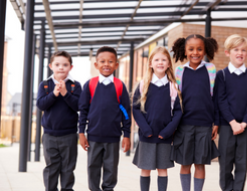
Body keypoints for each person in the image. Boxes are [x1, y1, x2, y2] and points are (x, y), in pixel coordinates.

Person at [170, 34, 220, 191]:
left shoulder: (211, 69)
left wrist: (216, 123)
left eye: (199, 49)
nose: (195, 52)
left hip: (205, 125)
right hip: (184, 125)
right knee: (185, 163)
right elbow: (175, 100)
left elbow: (216, 98)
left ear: (205, 50)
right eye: (191, 49)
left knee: (200, 163)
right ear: (185, 51)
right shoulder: (179, 71)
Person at [78, 46, 131, 191]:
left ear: (116, 65)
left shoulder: (119, 85)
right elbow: (83, 111)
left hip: (113, 137)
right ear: (96, 65)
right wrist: (81, 133)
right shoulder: (90, 85)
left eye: (110, 61)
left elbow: (126, 112)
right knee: (93, 169)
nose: (106, 64)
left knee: (111, 170)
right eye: (102, 61)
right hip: (93, 137)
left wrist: (127, 135)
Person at [132, 46, 183, 191]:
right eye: (156, 60)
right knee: (145, 169)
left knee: (162, 169)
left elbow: (178, 112)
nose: (160, 62)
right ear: (150, 63)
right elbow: (136, 109)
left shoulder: (173, 87)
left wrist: (168, 131)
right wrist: (145, 128)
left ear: (168, 64)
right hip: (147, 135)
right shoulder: (143, 85)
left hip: (164, 136)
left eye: (164, 60)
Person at [215, 34, 247, 191]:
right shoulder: (222, 76)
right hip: (227, 126)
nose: (240, 53)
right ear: (228, 52)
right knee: (225, 164)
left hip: (245, 127)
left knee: (242, 164)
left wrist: (244, 123)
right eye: (236, 50)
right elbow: (221, 101)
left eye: (244, 50)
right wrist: (233, 123)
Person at [37, 51, 82, 191]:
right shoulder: (44, 85)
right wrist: (54, 94)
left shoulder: (75, 86)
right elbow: (41, 104)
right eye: (57, 64)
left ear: (71, 67)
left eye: (65, 64)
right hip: (49, 135)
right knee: (51, 167)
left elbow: (79, 106)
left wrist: (65, 94)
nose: (61, 67)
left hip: (69, 135)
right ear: (51, 66)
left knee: (68, 168)